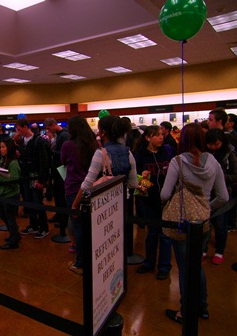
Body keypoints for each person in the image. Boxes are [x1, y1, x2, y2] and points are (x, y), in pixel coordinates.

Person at [161, 123, 228, 324]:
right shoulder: (213, 163)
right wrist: (206, 206)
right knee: (196, 267)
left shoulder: (178, 162)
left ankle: (185, 312)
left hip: (182, 223)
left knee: (184, 269)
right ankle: (203, 307)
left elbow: (164, 194)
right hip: (203, 222)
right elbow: (223, 197)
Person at [71, 115, 138, 274]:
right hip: (122, 203)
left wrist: (75, 204)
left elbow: (88, 183)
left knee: (103, 240)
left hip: (103, 206)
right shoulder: (128, 153)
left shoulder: (101, 153)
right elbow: (133, 183)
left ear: (103, 132)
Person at [133, 126, 174, 280]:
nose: (161, 137)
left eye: (162, 135)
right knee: (151, 233)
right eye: (157, 135)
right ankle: (149, 263)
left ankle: (164, 266)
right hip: (148, 199)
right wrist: (142, 177)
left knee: (164, 234)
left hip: (166, 200)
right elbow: (138, 184)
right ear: (148, 138)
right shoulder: (140, 155)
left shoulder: (168, 152)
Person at [61, 116, 98, 273]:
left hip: (73, 189)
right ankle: (91, 258)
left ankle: (79, 262)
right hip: (92, 189)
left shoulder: (68, 145)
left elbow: (63, 162)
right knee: (90, 225)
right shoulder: (93, 145)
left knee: (77, 225)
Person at [205, 128, 237, 264]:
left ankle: (219, 251)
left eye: (216, 144)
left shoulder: (229, 154)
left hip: (223, 193)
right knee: (205, 223)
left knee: (220, 224)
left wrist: (218, 176)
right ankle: (203, 249)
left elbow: (235, 176)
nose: (213, 147)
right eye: (210, 144)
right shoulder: (204, 153)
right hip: (206, 193)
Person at [15, 117, 50, 238]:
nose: (18, 132)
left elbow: (43, 161)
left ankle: (44, 227)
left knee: (37, 201)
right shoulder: (22, 141)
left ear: (25, 127)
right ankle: (34, 225)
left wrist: (41, 180)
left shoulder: (38, 141)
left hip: (35, 176)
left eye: (19, 129)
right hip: (26, 176)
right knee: (28, 201)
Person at [0, 137, 22, 249]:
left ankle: (14, 240)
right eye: (0, 147)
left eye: (3, 147)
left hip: (11, 194)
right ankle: (14, 234)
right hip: (3, 193)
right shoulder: (3, 160)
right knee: (4, 215)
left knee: (10, 217)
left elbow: (13, 181)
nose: (1, 149)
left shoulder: (13, 163)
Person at [44, 118, 70, 228]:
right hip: (59, 169)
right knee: (58, 193)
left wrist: (52, 152)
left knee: (60, 194)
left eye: (49, 128)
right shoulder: (60, 135)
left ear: (54, 125)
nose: (49, 131)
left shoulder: (63, 135)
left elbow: (64, 153)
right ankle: (59, 215)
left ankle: (62, 217)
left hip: (61, 169)